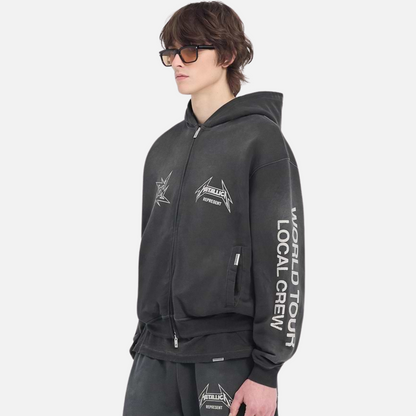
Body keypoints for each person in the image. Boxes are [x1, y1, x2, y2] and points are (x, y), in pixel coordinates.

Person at [122, 2, 305, 416]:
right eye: (171, 52)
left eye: (189, 51)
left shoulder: (261, 142)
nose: (176, 63)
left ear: (227, 55)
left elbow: (283, 258)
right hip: (154, 357)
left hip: (227, 361)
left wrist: (267, 371)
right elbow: (152, 252)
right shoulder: (162, 149)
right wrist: (141, 342)